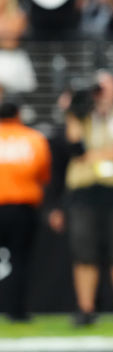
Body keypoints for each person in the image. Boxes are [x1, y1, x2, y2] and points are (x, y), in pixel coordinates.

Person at [48, 70, 113, 326]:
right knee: (83, 253)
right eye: (96, 89)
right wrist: (72, 112)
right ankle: (86, 309)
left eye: (104, 88)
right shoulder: (80, 116)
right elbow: (74, 149)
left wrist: (96, 155)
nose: (100, 94)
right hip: (85, 194)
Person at [0, 97, 51, 321]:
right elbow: (43, 174)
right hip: (22, 208)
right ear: (19, 114)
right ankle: (16, 311)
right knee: (20, 260)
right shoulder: (33, 139)